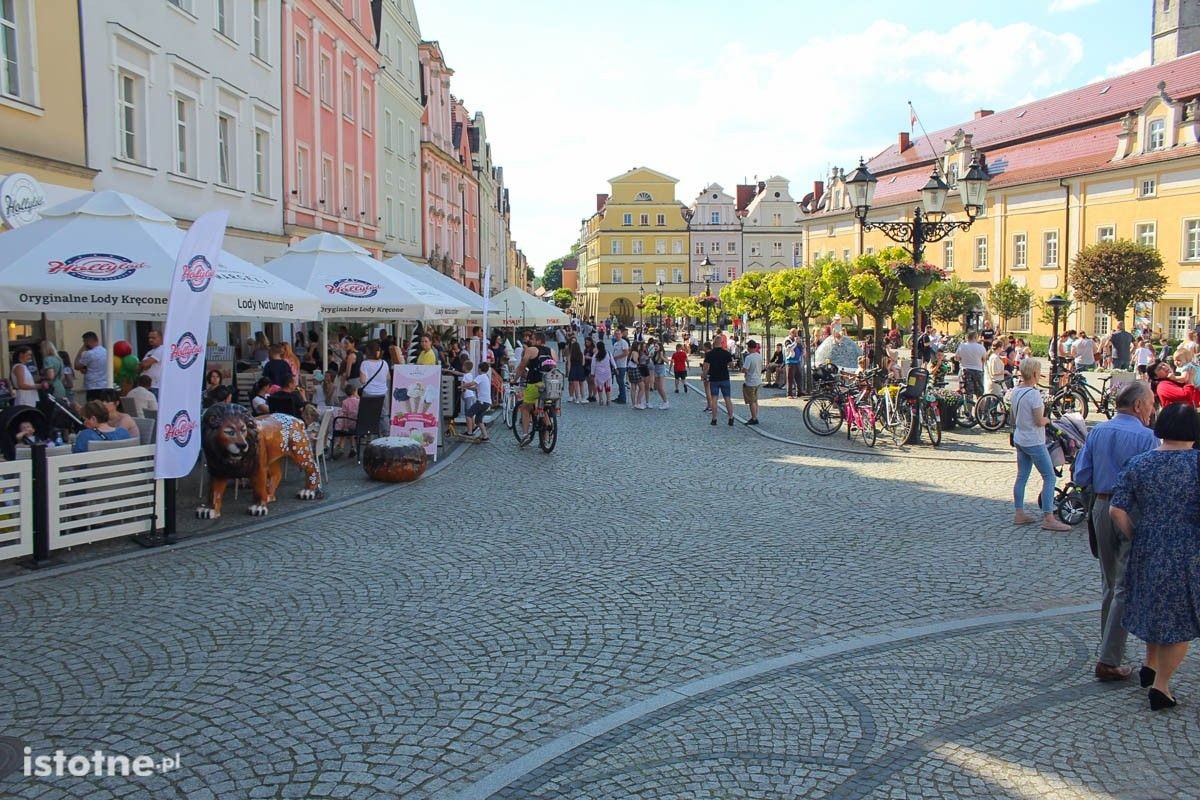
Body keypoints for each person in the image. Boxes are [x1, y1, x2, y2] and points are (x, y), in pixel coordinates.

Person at [1110, 403, 1200, 710]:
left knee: (1153, 608)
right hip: (1187, 550)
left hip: (1147, 546)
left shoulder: (1140, 462)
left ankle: (1149, 665)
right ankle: (1161, 687)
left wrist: (1136, 535)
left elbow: (1116, 509)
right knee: (1180, 620)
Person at [1074, 381, 1159, 683]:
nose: (1153, 409)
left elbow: (1081, 474)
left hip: (1101, 505)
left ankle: (1109, 650)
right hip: (1131, 510)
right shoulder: (1147, 437)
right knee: (1123, 586)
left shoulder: (1098, 431)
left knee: (1110, 583)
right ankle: (1108, 660)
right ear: (1138, 406)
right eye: (1151, 403)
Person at [1010, 358, 1072, 531]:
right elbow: (1039, 420)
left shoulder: (1016, 391)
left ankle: (1019, 513)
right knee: (1049, 477)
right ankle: (1048, 517)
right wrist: (1048, 420)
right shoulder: (1034, 395)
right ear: (1035, 373)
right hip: (1034, 440)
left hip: (1020, 437)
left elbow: (1013, 417)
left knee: (1022, 476)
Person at [516, 331, 553, 436]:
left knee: (525, 408)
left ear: (538, 340)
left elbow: (522, 366)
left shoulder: (531, 350)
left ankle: (525, 434)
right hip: (549, 385)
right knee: (544, 407)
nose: (530, 340)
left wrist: (515, 379)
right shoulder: (551, 351)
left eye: (532, 339)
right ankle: (546, 436)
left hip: (534, 383)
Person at [703, 335, 735, 427]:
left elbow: (706, 367)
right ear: (722, 343)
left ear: (713, 342)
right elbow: (731, 365)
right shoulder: (726, 353)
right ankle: (731, 417)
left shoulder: (709, 354)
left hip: (714, 378)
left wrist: (704, 376)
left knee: (714, 399)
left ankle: (714, 419)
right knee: (727, 398)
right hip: (725, 378)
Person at [953, 331, 987, 404]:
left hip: (965, 371)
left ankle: (968, 410)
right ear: (975, 337)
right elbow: (984, 359)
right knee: (980, 394)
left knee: (968, 394)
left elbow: (956, 358)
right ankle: (981, 410)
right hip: (978, 370)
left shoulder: (962, 346)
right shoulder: (981, 347)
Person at [74, 331, 109, 401]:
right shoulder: (106, 351)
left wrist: (81, 350)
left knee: (93, 406)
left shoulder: (89, 354)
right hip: (105, 385)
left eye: (84, 342)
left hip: (93, 386)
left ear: (88, 341)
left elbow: (76, 366)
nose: (84, 344)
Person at [462, 362, 492, 441]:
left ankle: (469, 432)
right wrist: (467, 388)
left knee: (468, 414)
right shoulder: (486, 377)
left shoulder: (481, 376)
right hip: (487, 402)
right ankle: (485, 436)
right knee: (478, 420)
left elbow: (471, 383)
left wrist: (462, 386)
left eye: (478, 368)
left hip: (481, 402)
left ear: (480, 369)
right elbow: (475, 388)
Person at [331, 384, 360, 458]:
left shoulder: (345, 402)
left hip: (349, 423)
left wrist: (345, 426)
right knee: (350, 431)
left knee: (342, 428)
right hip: (358, 423)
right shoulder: (359, 401)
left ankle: (341, 447)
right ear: (354, 392)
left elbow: (344, 415)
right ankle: (352, 447)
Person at [39, 340, 68, 405]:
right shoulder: (58, 359)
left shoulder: (47, 360)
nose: (40, 351)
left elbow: (50, 376)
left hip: (52, 388)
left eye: (41, 349)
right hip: (60, 386)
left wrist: (40, 377)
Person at [742, 339, 763, 425]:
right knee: (755, 400)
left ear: (749, 348)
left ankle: (754, 418)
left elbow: (745, 369)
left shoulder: (749, 357)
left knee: (751, 401)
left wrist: (743, 371)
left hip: (751, 381)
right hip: (758, 380)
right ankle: (755, 416)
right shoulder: (759, 356)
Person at [137, 330, 164, 397]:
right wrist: (143, 365)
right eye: (149, 338)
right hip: (146, 386)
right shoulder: (149, 352)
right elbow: (138, 368)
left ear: (161, 338)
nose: (150, 340)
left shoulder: (162, 349)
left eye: (153, 338)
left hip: (155, 386)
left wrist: (143, 364)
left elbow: (145, 364)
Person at [591, 340, 616, 405]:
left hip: (598, 373)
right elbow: (612, 361)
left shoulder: (595, 355)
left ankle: (601, 399)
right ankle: (608, 400)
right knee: (607, 386)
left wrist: (592, 373)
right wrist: (615, 368)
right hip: (607, 372)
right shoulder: (608, 353)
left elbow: (593, 365)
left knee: (599, 386)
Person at [611, 326, 631, 405]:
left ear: (621, 335)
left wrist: (616, 357)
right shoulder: (616, 343)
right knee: (619, 382)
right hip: (616, 365)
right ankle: (620, 396)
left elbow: (626, 353)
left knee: (621, 382)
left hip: (621, 365)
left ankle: (623, 398)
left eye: (619, 334)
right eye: (616, 334)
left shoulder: (623, 343)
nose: (617, 335)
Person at [648, 337, 669, 409]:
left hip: (661, 370)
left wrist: (662, 357)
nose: (655, 348)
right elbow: (652, 361)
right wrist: (650, 357)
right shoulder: (654, 353)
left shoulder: (662, 353)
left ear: (660, 347)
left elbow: (667, 362)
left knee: (661, 387)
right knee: (657, 387)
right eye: (655, 346)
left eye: (656, 346)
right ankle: (664, 401)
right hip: (656, 370)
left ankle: (666, 402)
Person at [785, 330, 804, 397]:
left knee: (799, 377)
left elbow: (801, 349)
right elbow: (789, 348)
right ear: (790, 333)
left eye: (796, 333)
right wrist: (795, 342)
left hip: (797, 361)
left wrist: (800, 344)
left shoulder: (797, 340)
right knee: (790, 378)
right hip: (790, 361)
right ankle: (789, 394)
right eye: (793, 333)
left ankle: (799, 392)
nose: (795, 334)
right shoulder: (787, 340)